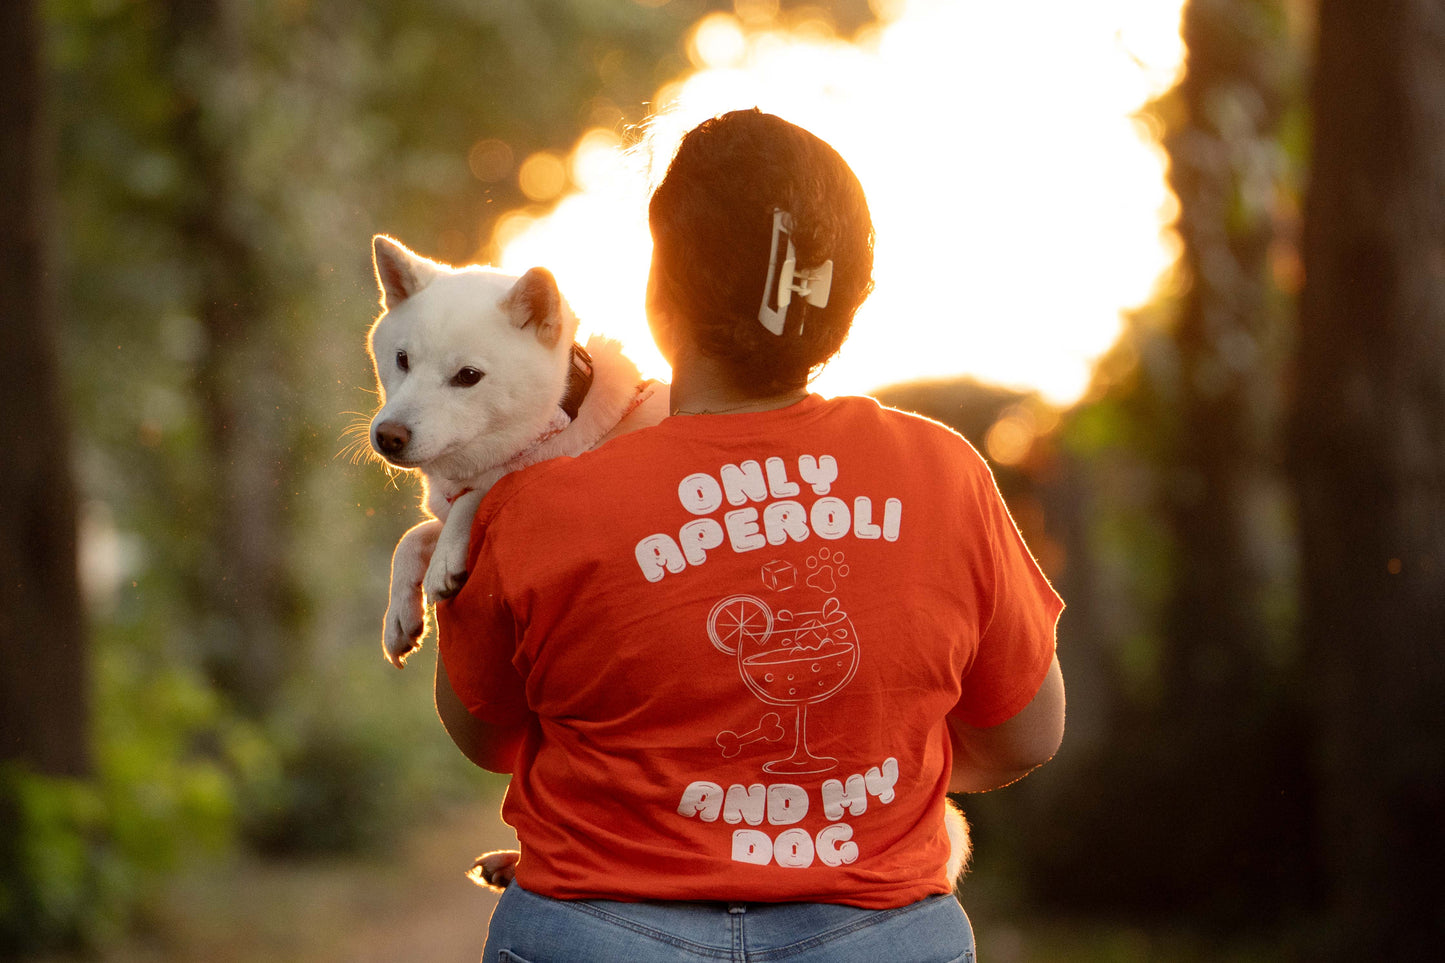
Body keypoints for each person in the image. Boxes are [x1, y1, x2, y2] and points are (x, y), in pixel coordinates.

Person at [434, 108, 1064, 963]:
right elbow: (1025, 733)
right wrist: (838, 790)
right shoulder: (943, 473)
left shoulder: (538, 506)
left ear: (658, 294)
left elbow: (487, 737)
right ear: (846, 305)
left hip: (596, 935)